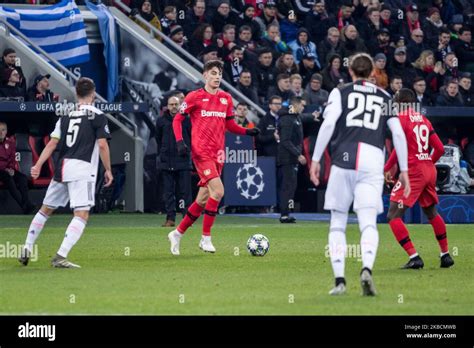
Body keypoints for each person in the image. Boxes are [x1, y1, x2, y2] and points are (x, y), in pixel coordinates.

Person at [309, 53, 410, 296]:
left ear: (351, 72)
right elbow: (397, 134)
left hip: (344, 159)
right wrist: (404, 170)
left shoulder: (340, 92)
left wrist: (315, 158)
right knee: (368, 222)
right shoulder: (386, 97)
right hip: (373, 162)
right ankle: (366, 268)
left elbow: (329, 123)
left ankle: (340, 281)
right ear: (372, 72)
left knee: (338, 221)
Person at [18, 77, 113, 268]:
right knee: (82, 213)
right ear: (93, 93)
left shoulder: (66, 116)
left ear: (76, 94)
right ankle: (60, 256)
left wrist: (38, 165)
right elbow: (102, 145)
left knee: (46, 209)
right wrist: (109, 170)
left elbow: (52, 143)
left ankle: (27, 247)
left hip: (62, 167)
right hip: (82, 168)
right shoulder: (97, 115)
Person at [168, 60, 260, 255]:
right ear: (205, 76)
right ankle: (206, 238)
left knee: (202, 199)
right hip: (201, 152)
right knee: (218, 192)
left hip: (219, 154)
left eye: (219, 74)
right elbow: (177, 118)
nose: (217, 77)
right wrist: (179, 141)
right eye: (214, 73)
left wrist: (246, 132)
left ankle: (177, 233)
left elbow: (230, 126)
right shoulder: (194, 97)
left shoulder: (226, 98)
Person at [384, 88, 454, 269]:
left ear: (399, 102)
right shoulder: (424, 119)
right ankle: (445, 254)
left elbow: (399, 148)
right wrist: (427, 164)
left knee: (393, 215)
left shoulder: (400, 119)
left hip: (414, 171)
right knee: (431, 212)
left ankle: (414, 257)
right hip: (429, 170)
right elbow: (439, 148)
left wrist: (386, 169)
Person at [156, 95, 192, 227]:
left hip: (182, 160)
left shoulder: (187, 120)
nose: (174, 107)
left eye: (176, 104)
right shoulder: (161, 121)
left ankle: (187, 219)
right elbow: (158, 139)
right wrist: (163, 152)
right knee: (168, 193)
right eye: (171, 104)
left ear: (180, 105)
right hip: (166, 161)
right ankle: (170, 219)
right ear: (167, 106)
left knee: (186, 192)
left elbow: (192, 137)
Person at [277, 96, 307, 223]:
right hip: (287, 158)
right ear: (295, 105)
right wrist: (298, 154)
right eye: (302, 105)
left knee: (291, 186)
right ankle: (284, 214)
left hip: (291, 157)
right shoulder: (288, 119)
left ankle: (287, 212)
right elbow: (285, 140)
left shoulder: (295, 117)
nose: (303, 108)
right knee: (288, 186)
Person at [0, 122, 34, 214]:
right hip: (1, 170)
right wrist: (6, 169)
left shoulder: (10, 143)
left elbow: (12, 159)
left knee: (22, 178)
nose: (1, 132)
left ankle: (27, 203)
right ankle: (23, 205)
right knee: (8, 178)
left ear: (6, 131)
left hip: (8, 169)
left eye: (3, 130)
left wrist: (11, 168)